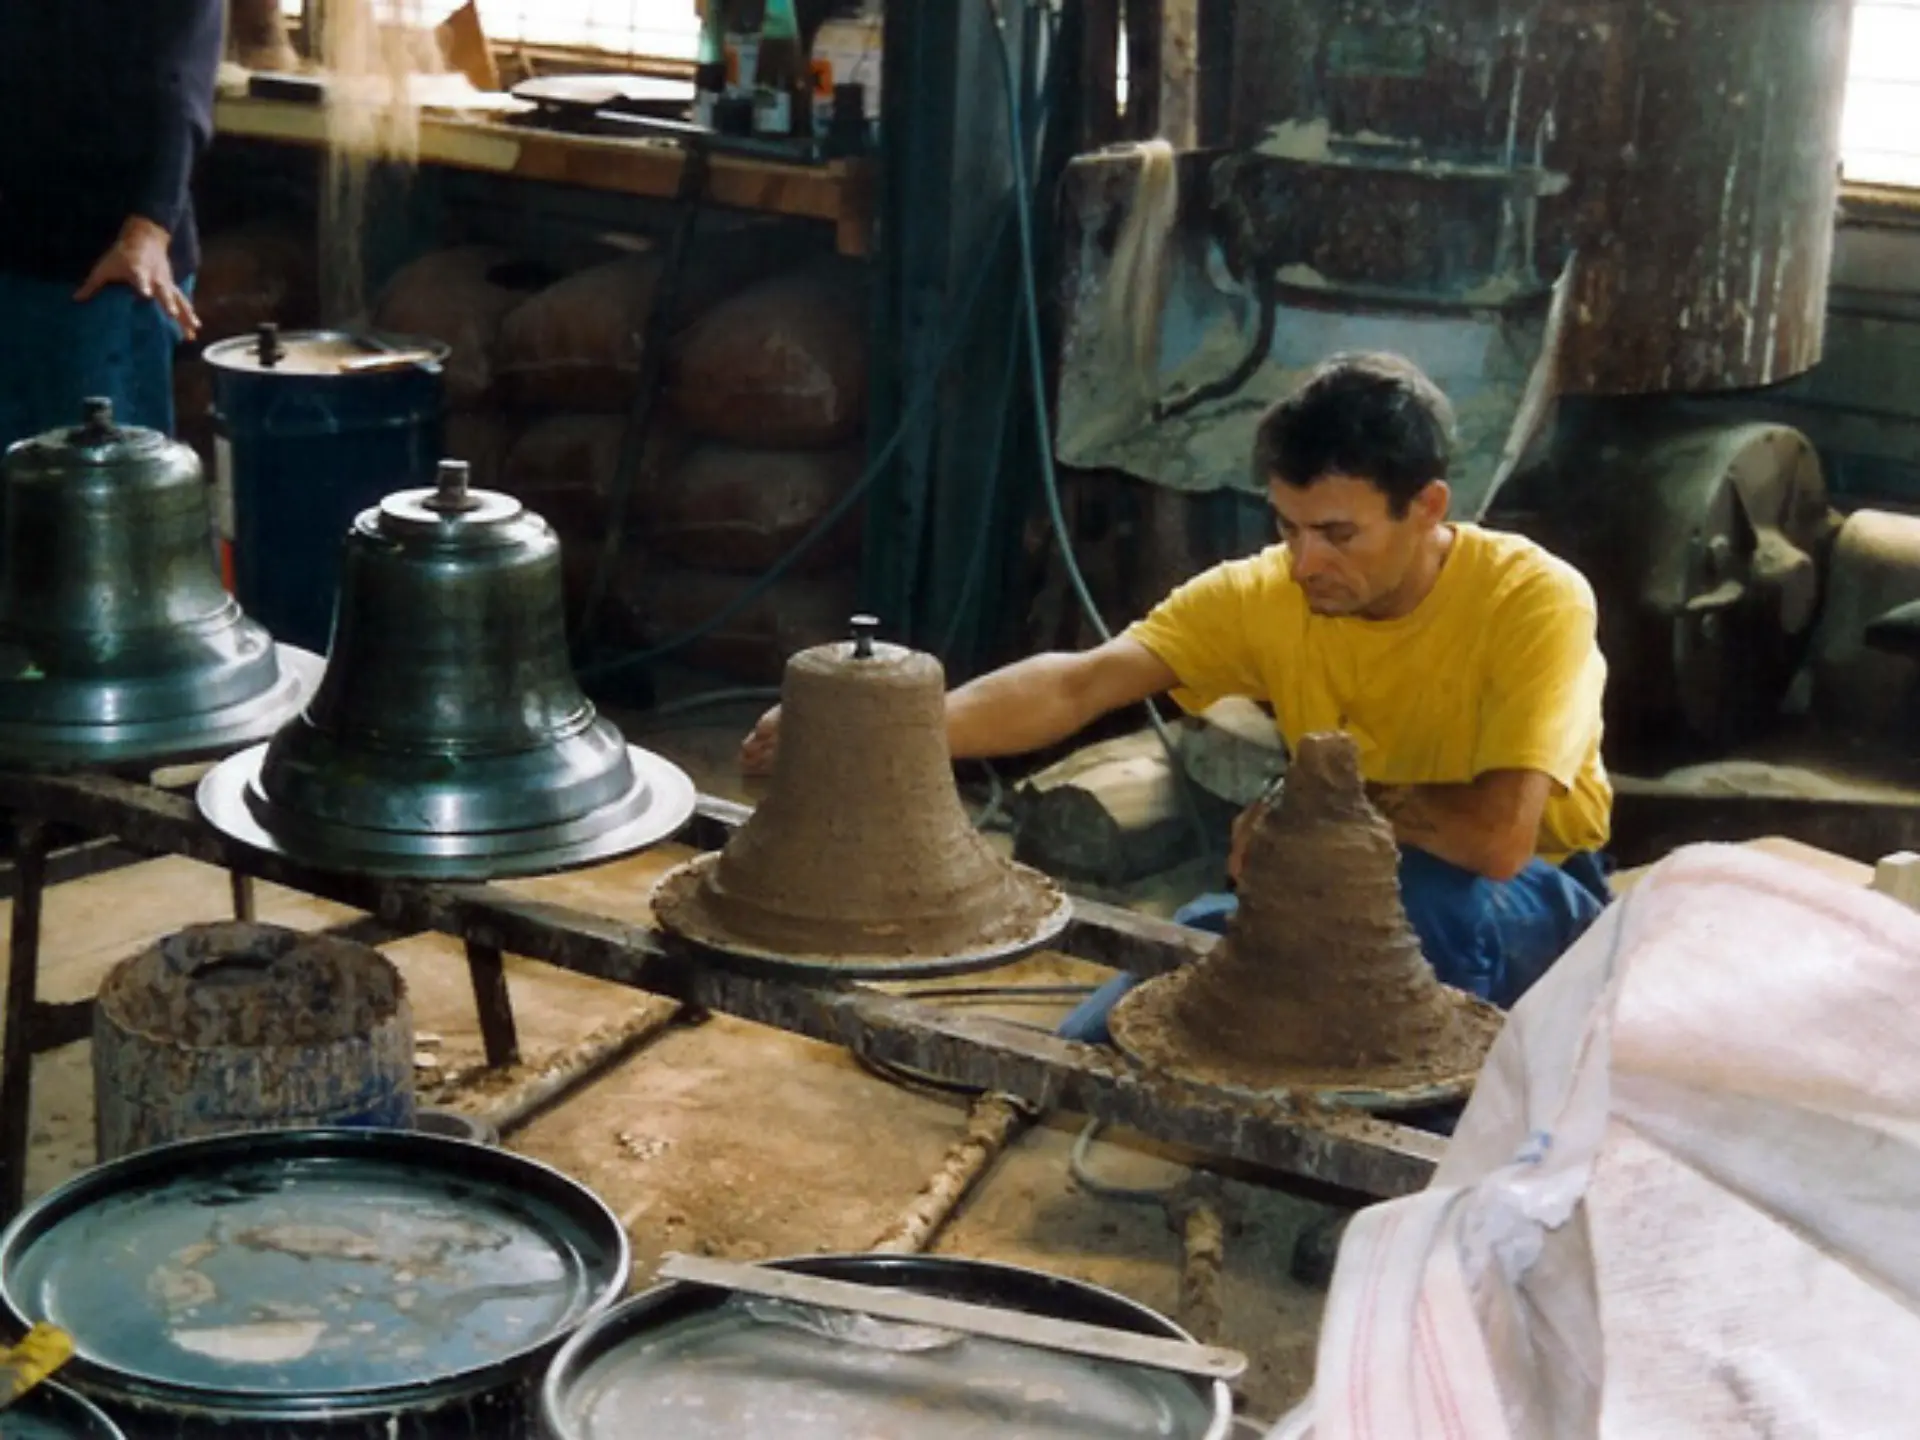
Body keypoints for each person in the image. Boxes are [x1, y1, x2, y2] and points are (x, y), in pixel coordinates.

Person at [741, 352, 1612, 1040]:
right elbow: (1082, 683)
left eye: (1338, 534)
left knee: (1415, 906)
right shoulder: (1271, 591)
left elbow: (1497, 839)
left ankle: (1418, 1150)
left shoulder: (1532, 600)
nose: (1307, 562)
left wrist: (1318, 810)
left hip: (1531, 895)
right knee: (1138, 1001)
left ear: (1427, 507)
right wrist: (876, 728)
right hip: (1342, 880)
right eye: (1288, 527)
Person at [0, 0, 223, 449]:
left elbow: (181, 86)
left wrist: (149, 229)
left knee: (106, 490)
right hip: (14, 250)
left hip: (113, 267)